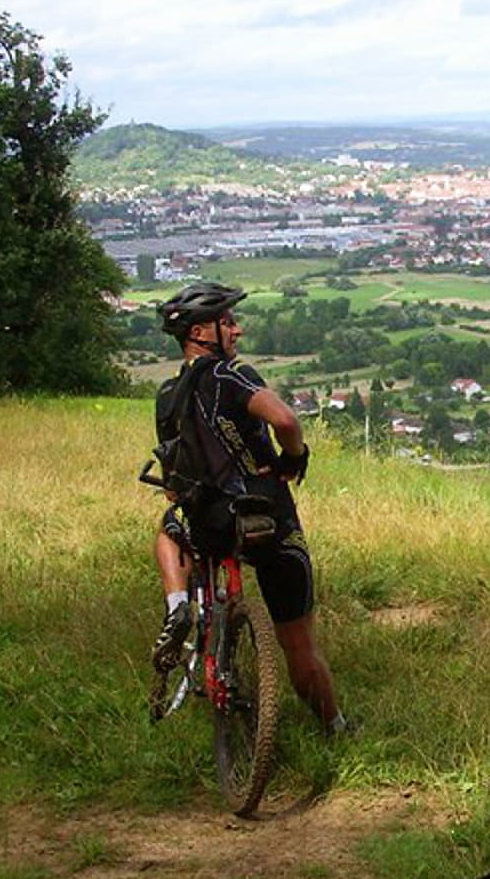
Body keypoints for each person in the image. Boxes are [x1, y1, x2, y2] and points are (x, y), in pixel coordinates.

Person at [150, 281, 346, 735]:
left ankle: (179, 604)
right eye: (227, 322)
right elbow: (286, 420)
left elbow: (173, 474)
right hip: (267, 517)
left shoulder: (167, 394)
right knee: (299, 644)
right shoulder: (229, 374)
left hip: (208, 521)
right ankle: (334, 727)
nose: (236, 331)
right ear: (202, 332)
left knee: (169, 526)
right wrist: (293, 458)